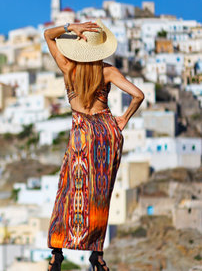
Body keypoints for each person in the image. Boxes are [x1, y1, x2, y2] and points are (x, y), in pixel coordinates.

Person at [43, 19, 144, 271]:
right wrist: (124, 119)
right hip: (107, 132)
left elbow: (47, 34)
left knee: (69, 189)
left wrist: (70, 27)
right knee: (100, 193)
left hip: (82, 132)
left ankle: (57, 252)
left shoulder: (68, 67)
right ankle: (97, 256)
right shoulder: (108, 72)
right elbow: (139, 95)